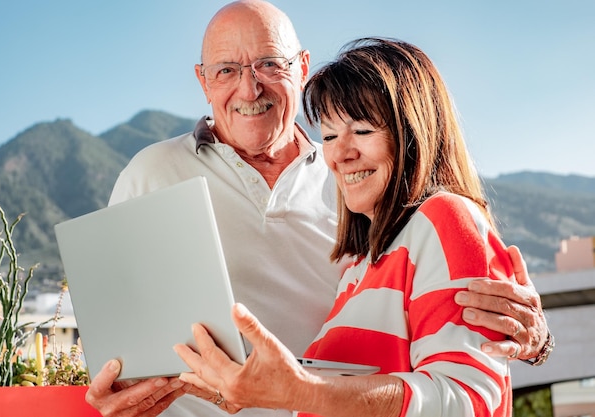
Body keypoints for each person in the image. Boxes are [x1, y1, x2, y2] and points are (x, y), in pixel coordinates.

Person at [85, 2, 551, 416]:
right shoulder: (360, 251)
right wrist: (115, 386)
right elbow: (116, 341)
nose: (249, 89)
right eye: (226, 70)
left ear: (302, 65)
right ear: (202, 80)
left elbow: (464, 387)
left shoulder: (375, 202)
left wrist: (532, 342)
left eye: (268, 64)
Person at [174, 36, 522, 416]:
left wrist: (302, 391)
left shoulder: (444, 218)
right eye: (328, 136)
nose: (340, 154)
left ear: (412, 130)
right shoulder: (358, 268)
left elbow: (465, 402)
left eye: (362, 131)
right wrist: (245, 393)